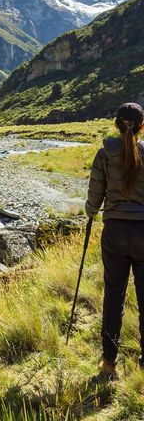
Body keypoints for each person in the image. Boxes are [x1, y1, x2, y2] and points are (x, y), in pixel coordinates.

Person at [86, 102, 144, 378]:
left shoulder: (104, 153)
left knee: (113, 297)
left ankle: (109, 363)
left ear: (116, 124)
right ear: (142, 125)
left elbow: (96, 191)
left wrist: (90, 212)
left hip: (115, 233)